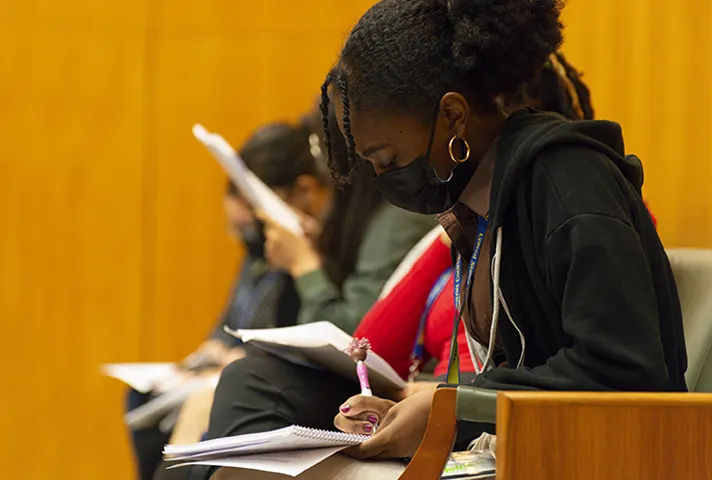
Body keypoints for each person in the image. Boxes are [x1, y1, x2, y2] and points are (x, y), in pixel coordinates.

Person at [320, 0, 686, 460]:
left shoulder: (570, 184)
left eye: (390, 161)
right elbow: (529, 373)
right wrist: (423, 406)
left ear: (453, 117)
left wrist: (454, 409)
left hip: (619, 457)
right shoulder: (485, 202)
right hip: (543, 451)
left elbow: (621, 369)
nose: (385, 179)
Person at [126, 122, 328, 480]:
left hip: (265, 373)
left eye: (250, 224)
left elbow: (301, 338)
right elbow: (226, 324)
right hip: (229, 368)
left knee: (199, 418)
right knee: (142, 398)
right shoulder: (258, 253)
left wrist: (235, 357)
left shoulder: (303, 255)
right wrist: (206, 354)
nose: (251, 237)